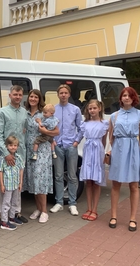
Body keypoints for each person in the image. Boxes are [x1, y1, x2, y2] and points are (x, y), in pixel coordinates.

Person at [108, 86, 140, 232]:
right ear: (121, 98)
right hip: (118, 149)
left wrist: (137, 152)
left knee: (134, 186)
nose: (126, 98)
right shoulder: (114, 115)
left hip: (133, 150)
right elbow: (111, 136)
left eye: (129, 95)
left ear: (133, 98)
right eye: (124, 95)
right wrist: (113, 149)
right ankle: (113, 216)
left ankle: (133, 218)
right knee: (116, 184)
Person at [23, 89, 59, 223]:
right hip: (29, 149)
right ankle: (38, 208)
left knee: (41, 179)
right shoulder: (25, 112)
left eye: (35, 97)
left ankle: (44, 211)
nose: (32, 99)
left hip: (42, 149)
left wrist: (44, 130)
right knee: (33, 179)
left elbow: (56, 131)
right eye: (31, 96)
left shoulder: (43, 113)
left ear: (39, 99)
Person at [0, 85, 28, 226]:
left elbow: (25, 132)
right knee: (3, 187)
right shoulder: (2, 112)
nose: (18, 97)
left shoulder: (24, 113)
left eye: (20, 95)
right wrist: (6, 154)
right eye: (15, 94)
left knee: (17, 186)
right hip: (6, 155)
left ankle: (15, 213)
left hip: (19, 154)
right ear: (10, 95)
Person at [50, 84, 83, 216]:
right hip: (58, 146)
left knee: (72, 175)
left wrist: (76, 142)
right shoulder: (54, 109)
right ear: (58, 94)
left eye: (65, 93)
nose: (63, 95)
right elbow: (49, 126)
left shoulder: (75, 109)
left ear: (69, 94)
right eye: (61, 93)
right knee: (58, 175)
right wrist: (52, 141)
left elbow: (81, 128)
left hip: (71, 146)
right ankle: (59, 202)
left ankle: (73, 203)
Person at [79, 99, 109, 221]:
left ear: (99, 109)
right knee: (89, 181)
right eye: (90, 108)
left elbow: (104, 140)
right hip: (88, 150)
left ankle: (95, 209)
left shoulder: (104, 123)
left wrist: (104, 154)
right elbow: (81, 136)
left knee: (96, 181)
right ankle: (89, 208)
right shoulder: (85, 123)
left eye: (94, 108)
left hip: (98, 151)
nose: (92, 110)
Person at [0, 136, 24, 230]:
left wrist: (21, 182)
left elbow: (21, 170)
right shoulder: (2, 158)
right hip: (7, 184)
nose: (13, 147)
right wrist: (2, 184)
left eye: (15, 145)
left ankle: (11, 217)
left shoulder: (19, 157)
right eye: (11, 145)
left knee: (14, 201)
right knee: (6, 202)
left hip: (16, 184)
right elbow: (0, 171)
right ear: (6, 146)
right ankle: (4, 221)